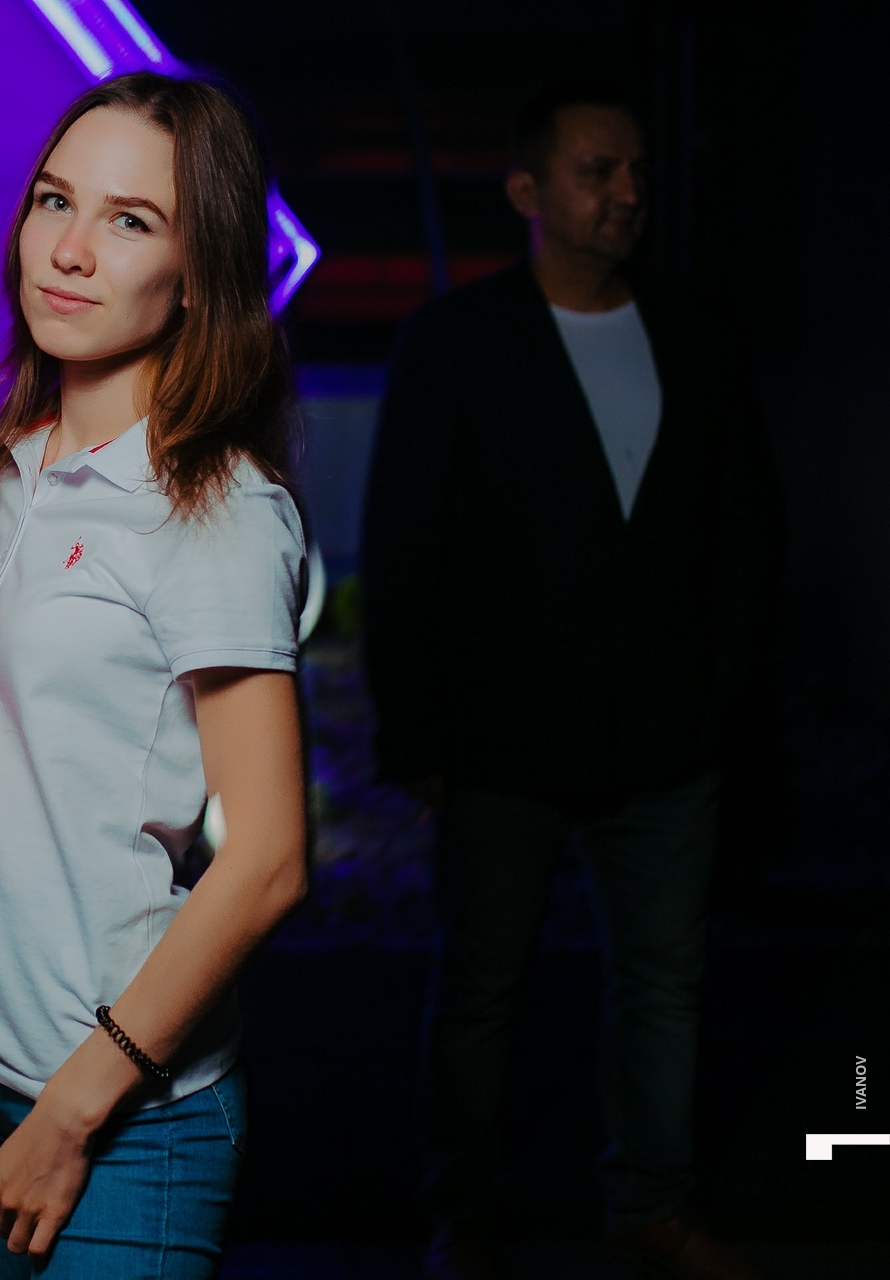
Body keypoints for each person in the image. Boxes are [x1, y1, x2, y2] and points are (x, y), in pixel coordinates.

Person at [360, 77, 779, 1280]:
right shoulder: (456, 340)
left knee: (664, 983)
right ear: (528, 191)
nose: (629, 192)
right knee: (480, 987)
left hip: (667, 739)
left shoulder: (695, 333)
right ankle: (465, 1213)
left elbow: (744, 527)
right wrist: (414, 729)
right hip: (500, 739)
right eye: (600, 171)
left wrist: (728, 701)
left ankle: (650, 1200)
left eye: (637, 170)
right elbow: (404, 543)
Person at [0, 72, 309, 1278]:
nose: (71, 250)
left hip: (115, 1114)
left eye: (131, 220)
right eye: (56, 201)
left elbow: (268, 857)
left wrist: (75, 1107)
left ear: (197, 275)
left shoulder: (216, 508)